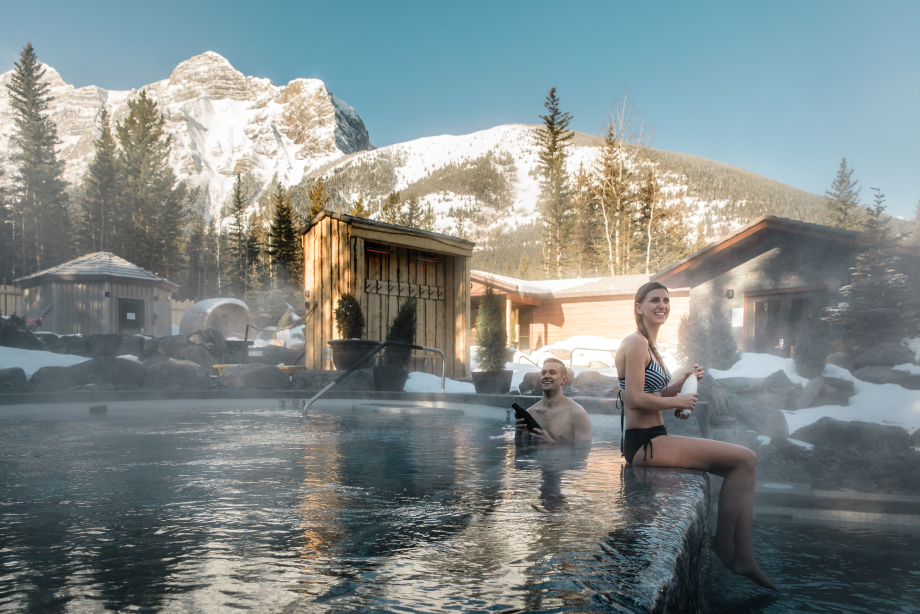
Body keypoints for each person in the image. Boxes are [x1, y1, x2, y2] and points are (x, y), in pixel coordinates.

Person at [614, 281, 777, 592]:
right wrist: (679, 401)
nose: (662, 305)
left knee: (746, 465)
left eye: (666, 300)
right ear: (639, 307)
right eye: (654, 300)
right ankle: (724, 543)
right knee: (745, 458)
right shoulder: (635, 343)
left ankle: (743, 554)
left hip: (654, 436)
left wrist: (683, 382)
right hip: (644, 442)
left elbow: (654, 392)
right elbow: (634, 399)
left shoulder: (650, 346)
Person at [515, 357, 592, 442]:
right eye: (543, 373)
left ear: (564, 380)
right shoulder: (531, 412)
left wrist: (551, 444)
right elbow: (522, 451)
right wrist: (518, 434)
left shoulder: (576, 413)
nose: (546, 376)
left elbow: (583, 451)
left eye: (552, 372)